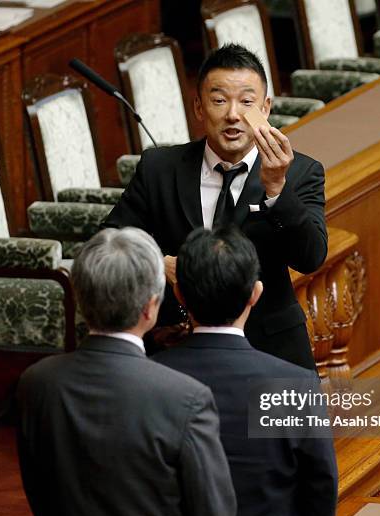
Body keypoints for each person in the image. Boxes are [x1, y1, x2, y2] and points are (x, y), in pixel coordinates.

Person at [16, 228, 236, 516]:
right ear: (151, 307)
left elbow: (41, 496)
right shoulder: (184, 397)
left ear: (80, 300)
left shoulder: (37, 383)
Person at [103, 43, 327, 369]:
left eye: (246, 102)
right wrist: (159, 263)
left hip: (269, 350)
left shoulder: (300, 172)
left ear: (265, 109)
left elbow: (311, 257)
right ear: (198, 107)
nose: (233, 114)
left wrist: (277, 189)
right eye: (219, 100)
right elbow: (111, 238)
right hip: (174, 349)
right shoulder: (160, 167)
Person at [154, 226, 338, 516]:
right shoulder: (291, 384)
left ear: (179, 293)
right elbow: (320, 491)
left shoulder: (150, 380)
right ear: (255, 293)